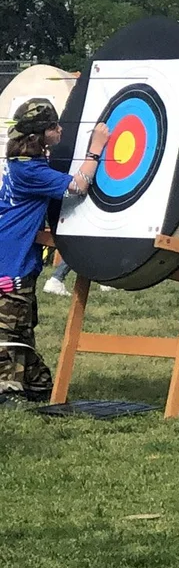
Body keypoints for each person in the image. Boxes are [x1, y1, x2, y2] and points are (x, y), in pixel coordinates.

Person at [0, 100, 108, 401]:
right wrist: (95, 149)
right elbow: (77, 186)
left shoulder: (25, 164)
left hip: (13, 259)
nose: (59, 130)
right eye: (53, 126)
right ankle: (9, 391)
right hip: (11, 263)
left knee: (20, 328)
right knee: (9, 333)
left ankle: (38, 384)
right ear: (39, 135)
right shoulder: (30, 171)